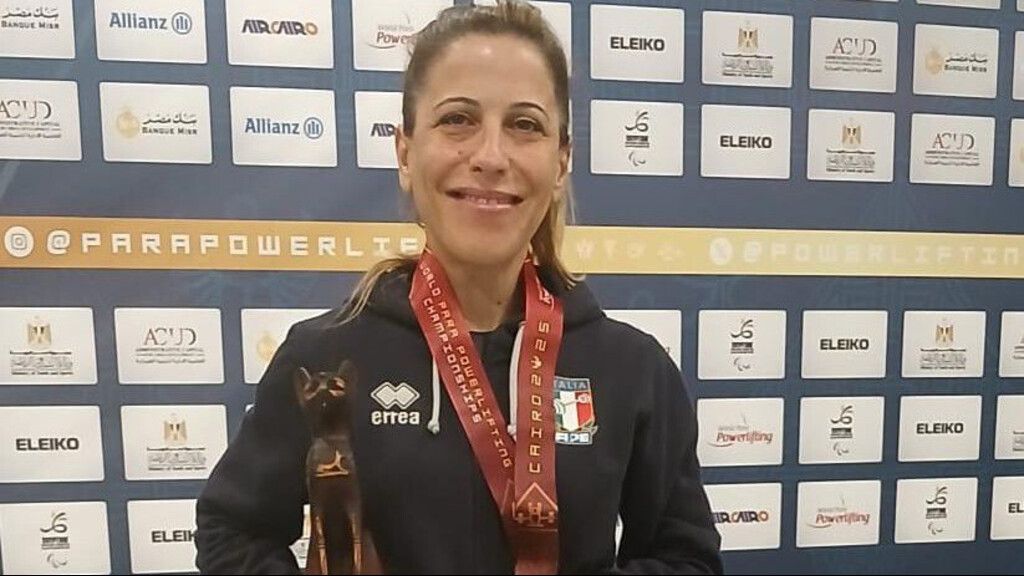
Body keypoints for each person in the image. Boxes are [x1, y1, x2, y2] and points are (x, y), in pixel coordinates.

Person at [195, 2, 722, 573]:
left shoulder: (634, 368)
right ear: (405, 152)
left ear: (561, 161)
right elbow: (233, 533)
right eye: (457, 119)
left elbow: (686, 558)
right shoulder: (324, 357)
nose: (491, 157)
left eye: (525, 125)